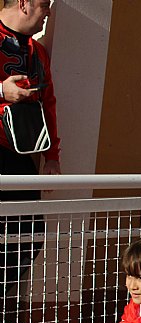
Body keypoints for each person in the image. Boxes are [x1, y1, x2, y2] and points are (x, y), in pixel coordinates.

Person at [0, 0, 61, 299]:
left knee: (29, 235)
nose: (48, 11)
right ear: (24, 3)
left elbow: (48, 103)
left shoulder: (38, 52)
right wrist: (1, 91)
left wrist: (51, 157)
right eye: (44, 4)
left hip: (20, 157)